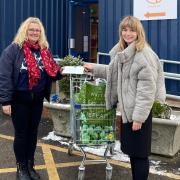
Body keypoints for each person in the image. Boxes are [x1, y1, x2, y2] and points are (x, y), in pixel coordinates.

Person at [84, 16, 166, 180]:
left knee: (140, 156)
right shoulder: (126, 52)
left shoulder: (143, 55)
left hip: (138, 114)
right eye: (124, 29)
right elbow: (114, 72)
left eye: (132, 30)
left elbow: (147, 90)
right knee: (134, 154)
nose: (127, 33)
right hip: (129, 112)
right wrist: (93, 68)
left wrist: (138, 118)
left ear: (139, 32)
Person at [0, 17, 61, 180]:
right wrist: (5, 101)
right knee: (21, 134)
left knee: (33, 134)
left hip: (37, 100)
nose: (35, 32)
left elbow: (53, 71)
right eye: (31, 30)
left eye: (37, 30)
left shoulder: (44, 51)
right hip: (19, 99)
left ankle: (30, 165)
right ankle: (21, 169)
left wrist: (68, 69)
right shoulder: (13, 50)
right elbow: (4, 76)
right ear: (25, 31)